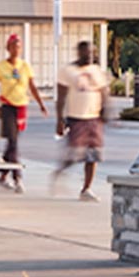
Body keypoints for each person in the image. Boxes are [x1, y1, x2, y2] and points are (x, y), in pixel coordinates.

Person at [0, 32, 43, 192]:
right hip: (7, 107)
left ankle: (2, 177)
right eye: (14, 45)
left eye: (19, 46)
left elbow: (32, 86)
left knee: (11, 144)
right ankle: (17, 177)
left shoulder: (24, 66)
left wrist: (41, 104)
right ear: (8, 48)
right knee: (13, 142)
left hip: (21, 107)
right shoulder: (0, 67)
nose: (16, 49)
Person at [55, 40, 114, 200]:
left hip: (94, 118)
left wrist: (106, 110)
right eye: (87, 53)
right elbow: (61, 97)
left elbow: (103, 92)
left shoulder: (96, 70)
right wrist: (59, 119)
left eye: (93, 53)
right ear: (79, 53)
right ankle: (59, 171)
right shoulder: (68, 71)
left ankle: (86, 188)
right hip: (76, 118)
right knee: (74, 154)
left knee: (93, 155)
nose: (90, 56)